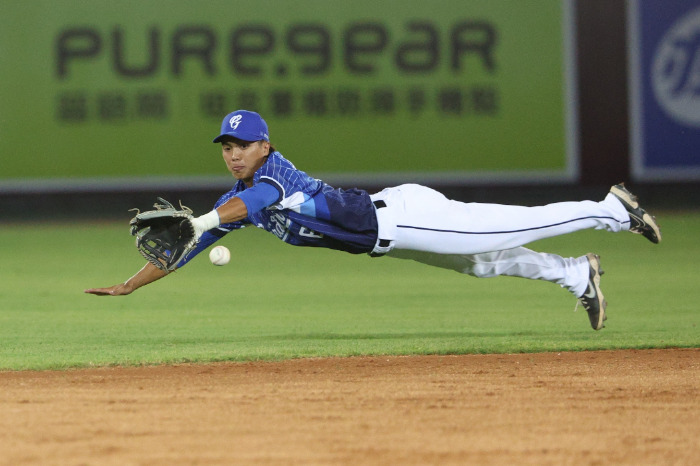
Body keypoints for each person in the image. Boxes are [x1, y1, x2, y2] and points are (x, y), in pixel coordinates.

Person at [85, 110, 662, 330]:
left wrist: (207, 220)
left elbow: (254, 206)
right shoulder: (236, 194)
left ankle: (612, 210)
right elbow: (180, 250)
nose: (233, 152)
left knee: (508, 228)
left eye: (243, 143)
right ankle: (576, 275)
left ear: (265, 146)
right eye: (226, 145)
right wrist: (130, 283)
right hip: (387, 239)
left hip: (404, 217)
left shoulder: (273, 179)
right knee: (484, 264)